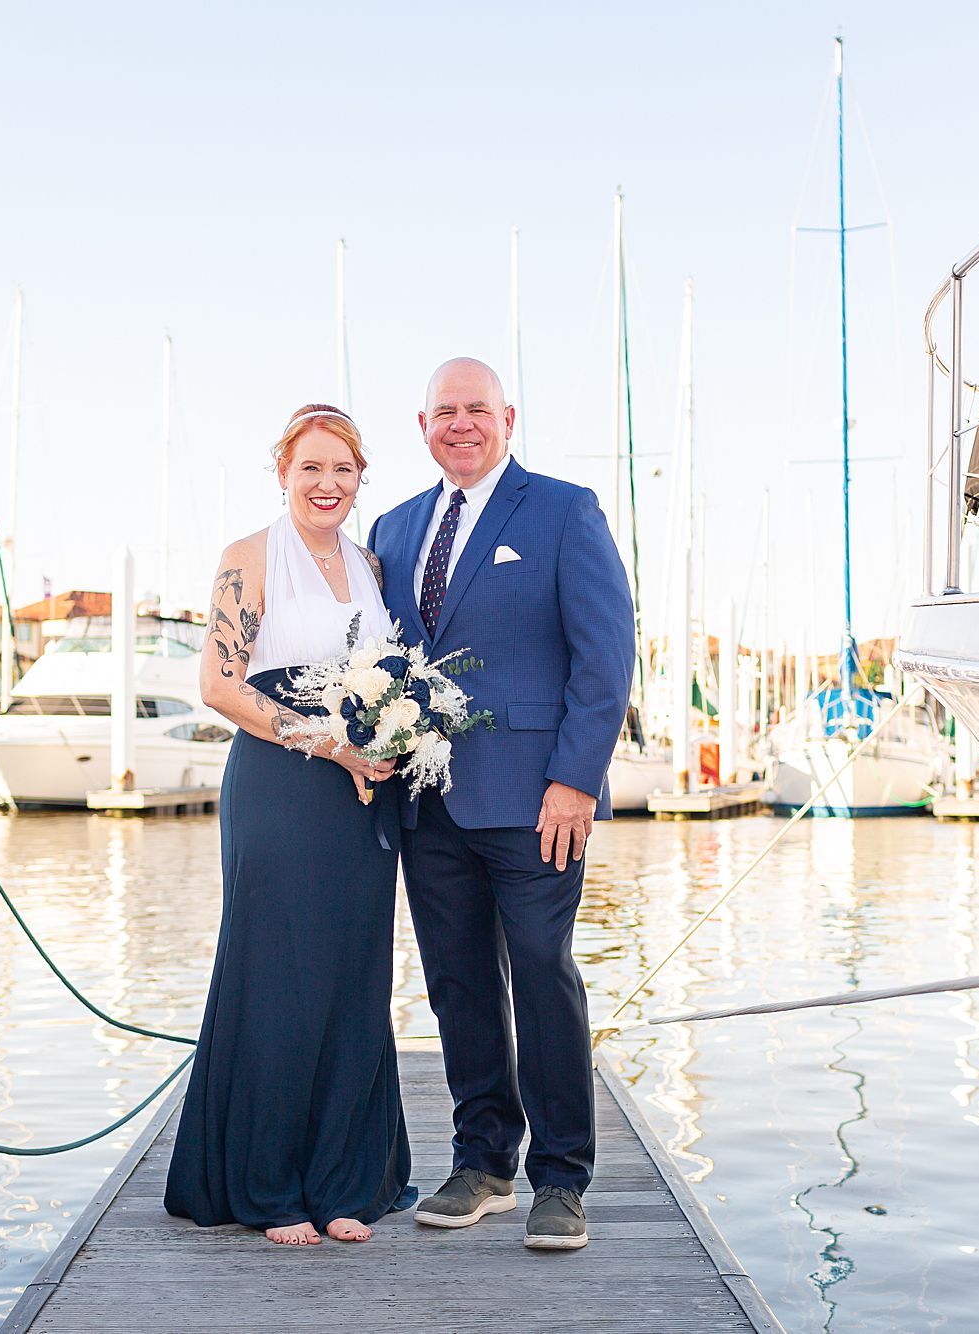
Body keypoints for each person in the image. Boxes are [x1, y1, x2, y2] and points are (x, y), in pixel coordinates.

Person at [367, 358, 635, 1250]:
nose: (462, 424)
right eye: (446, 411)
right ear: (423, 425)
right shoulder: (395, 528)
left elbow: (606, 654)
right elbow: (383, 657)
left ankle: (562, 1178)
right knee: (458, 987)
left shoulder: (563, 511)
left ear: (508, 418)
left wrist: (575, 780)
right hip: (426, 802)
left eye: (477, 409)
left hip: (535, 800)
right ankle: (483, 1162)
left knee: (544, 976)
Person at [163, 404, 416, 1246]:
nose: (327, 484)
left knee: (352, 976)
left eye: (343, 470)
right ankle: (269, 1186)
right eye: (311, 468)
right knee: (278, 977)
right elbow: (220, 686)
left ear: (359, 479)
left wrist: (391, 736)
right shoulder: (247, 560)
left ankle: (343, 1181)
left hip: (360, 800)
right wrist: (333, 746)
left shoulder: (373, 564)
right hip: (279, 784)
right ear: (282, 472)